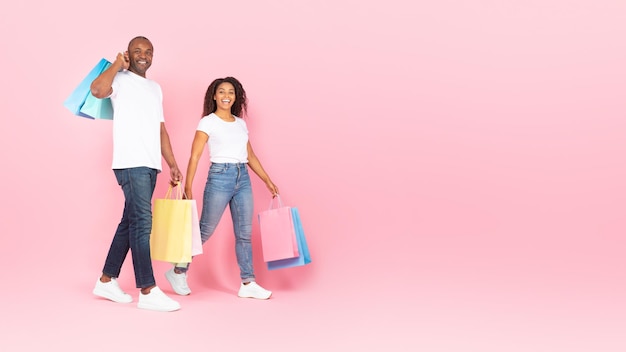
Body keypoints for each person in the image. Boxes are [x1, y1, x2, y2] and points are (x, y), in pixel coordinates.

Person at [90, 36, 182, 312]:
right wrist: (117, 64)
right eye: (137, 51)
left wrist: (172, 163)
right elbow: (96, 90)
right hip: (130, 162)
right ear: (128, 54)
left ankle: (106, 280)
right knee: (143, 222)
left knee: (130, 222)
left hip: (151, 163)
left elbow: (161, 128)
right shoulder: (118, 79)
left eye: (148, 51)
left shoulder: (155, 88)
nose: (143, 55)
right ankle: (147, 289)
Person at [165, 76, 278, 299]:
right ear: (214, 96)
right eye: (222, 92)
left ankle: (248, 282)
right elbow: (195, 156)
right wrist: (187, 186)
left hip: (242, 177)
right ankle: (178, 271)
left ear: (236, 97)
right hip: (220, 177)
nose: (226, 96)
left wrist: (267, 180)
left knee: (244, 234)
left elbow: (251, 155)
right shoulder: (208, 122)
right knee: (204, 229)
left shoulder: (240, 124)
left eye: (231, 92)